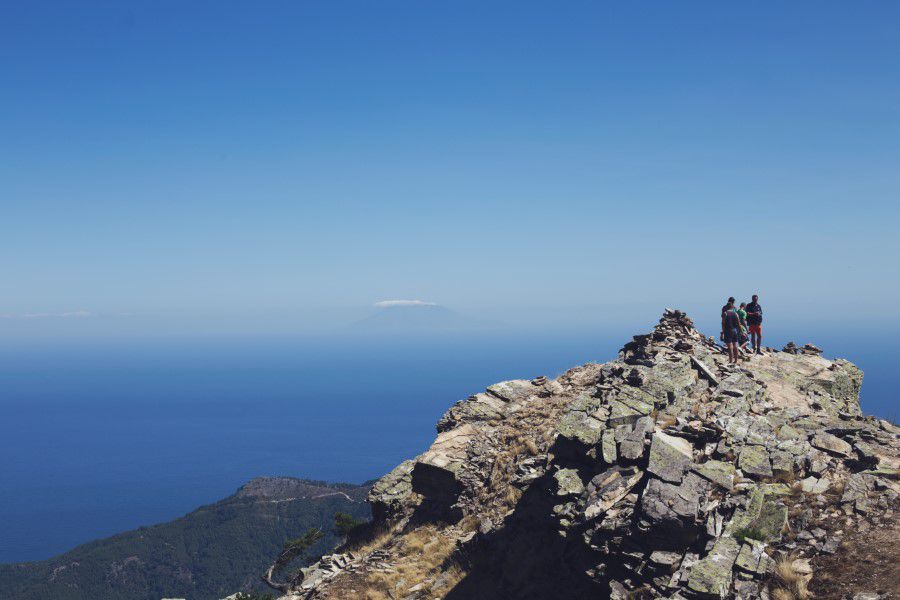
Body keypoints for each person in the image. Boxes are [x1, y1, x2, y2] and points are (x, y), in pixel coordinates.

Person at [720, 298, 742, 364]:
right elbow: (739, 324)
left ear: (727, 307)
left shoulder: (725, 313)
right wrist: (742, 331)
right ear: (732, 307)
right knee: (735, 345)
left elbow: (723, 323)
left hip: (728, 331)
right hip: (734, 330)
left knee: (730, 347)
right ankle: (735, 361)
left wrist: (722, 333)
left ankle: (730, 361)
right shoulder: (736, 314)